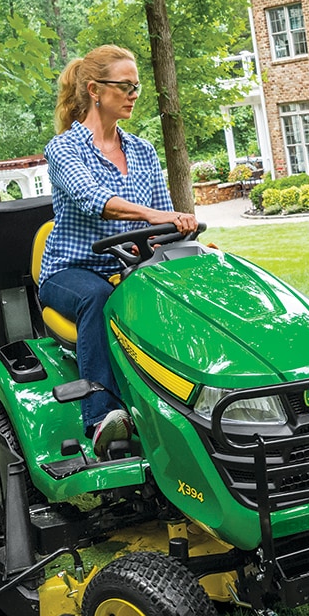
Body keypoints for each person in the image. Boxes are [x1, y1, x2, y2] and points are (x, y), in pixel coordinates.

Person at [40, 44, 197, 457]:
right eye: (125, 86)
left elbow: (162, 219)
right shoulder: (64, 149)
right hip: (72, 271)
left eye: (137, 88)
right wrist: (150, 216)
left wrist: (181, 228)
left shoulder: (143, 151)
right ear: (94, 89)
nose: (132, 94)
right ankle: (101, 420)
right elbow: (96, 200)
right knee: (99, 298)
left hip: (133, 266)